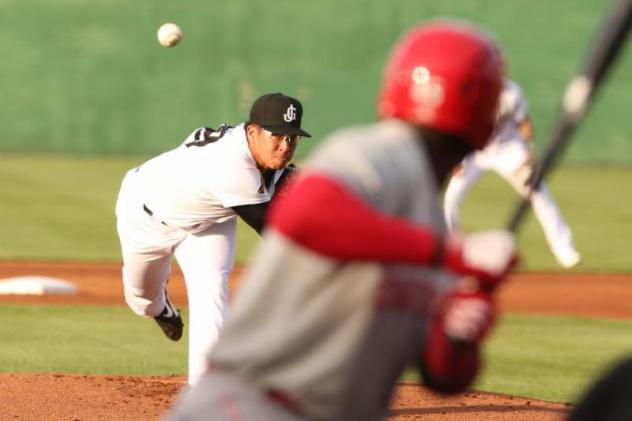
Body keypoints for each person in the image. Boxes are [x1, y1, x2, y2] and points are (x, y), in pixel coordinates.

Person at [168, 20, 517, 421]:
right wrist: (450, 255)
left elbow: (443, 376)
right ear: (487, 120)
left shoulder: (426, 222)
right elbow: (305, 215)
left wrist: (461, 328)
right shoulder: (375, 154)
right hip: (248, 408)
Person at [114, 92, 310, 386]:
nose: (285, 146)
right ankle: (160, 308)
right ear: (253, 132)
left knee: (212, 292)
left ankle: (204, 394)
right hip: (145, 217)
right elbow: (273, 231)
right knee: (141, 298)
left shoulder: (263, 154)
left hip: (208, 223)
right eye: (278, 136)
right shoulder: (231, 165)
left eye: (293, 138)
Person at [443, 78, 582, 268]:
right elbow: (458, 124)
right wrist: (455, 156)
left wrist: (528, 150)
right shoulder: (470, 91)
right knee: (451, 197)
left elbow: (524, 124)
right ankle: (449, 249)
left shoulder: (511, 92)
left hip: (508, 150)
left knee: (538, 192)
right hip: (475, 151)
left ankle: (564, 248)